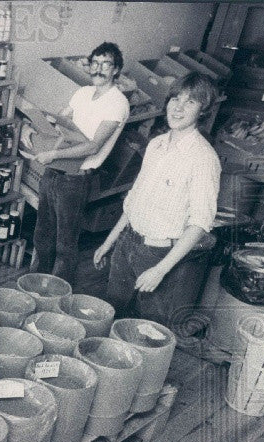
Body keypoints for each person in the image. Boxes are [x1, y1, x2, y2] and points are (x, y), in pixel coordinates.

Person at [94, 72, 221, 328]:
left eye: (190, 102)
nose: (178, 108)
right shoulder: (156, 145)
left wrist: (160, 269)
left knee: (148, 328)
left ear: (203, 111)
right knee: (112, 314)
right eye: (176, 99)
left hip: (159, 253)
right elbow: (134, 200)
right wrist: (109, 242)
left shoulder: (204, 159)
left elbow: (199, 224)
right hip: (128, 242)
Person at [33, 42, 131, 286]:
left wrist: (53, 154)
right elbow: (61, 121)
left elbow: (93, 146)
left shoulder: (117, 103)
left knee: (65, 243)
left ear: (116, 69)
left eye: (105, 64)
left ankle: (56, 293)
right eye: (95, 63)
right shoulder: (82, 93)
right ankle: (34, 285)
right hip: (54, 171)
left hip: (76, 178)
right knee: (42, 235)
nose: (98, 69)